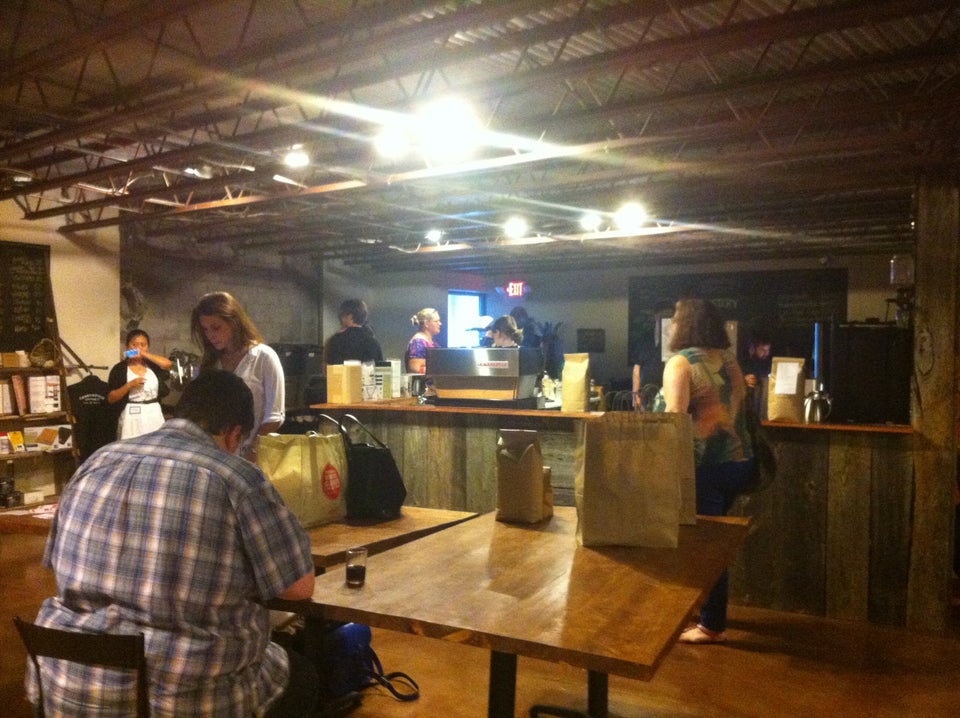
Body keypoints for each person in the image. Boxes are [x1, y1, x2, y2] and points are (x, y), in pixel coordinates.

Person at [27, 370, 317, 717]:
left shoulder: (97, 461)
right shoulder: (237, 479)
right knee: (305, 678)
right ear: (234, 433)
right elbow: (298, 588)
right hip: (180, 700)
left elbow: (58, 565)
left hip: (66, 689)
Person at [657, 297, 754, 644]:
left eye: (674, 318)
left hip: (705, 468)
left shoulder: (680, 363)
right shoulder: (728, 360)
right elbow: (740, 404)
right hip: (740, 463)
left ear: (685, 325)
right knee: (713, 540)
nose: (670, 324)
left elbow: (675, 418)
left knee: (707, 547)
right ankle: (704, 611)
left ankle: (712, 625)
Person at [190, 291, 285, 461]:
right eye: (205, 329)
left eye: (216, 327)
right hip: (213, 455)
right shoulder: (208, 364)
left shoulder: (263, 357)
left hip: (252, 454)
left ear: (234, 322)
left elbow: (274, 416)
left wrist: (253, 451)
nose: (210, 335)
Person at [106, 329, 173, 439]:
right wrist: (129, 385)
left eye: (143, 345)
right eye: (134, 344)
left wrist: (143, 353)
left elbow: (168, 364)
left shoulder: (153, 365)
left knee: (155, 443)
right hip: (131, 415)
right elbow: (111, 398)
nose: (138, 347)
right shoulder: (120, 368)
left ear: (148, 347)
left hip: (153, 413)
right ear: (127, 346)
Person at [324, 298, 384, 365]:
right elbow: (382, 369)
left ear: (350, 316)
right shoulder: (374, 343)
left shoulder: (335, 341)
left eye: (343, 315)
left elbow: (328, 367)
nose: (341, 320)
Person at [405, 307, 442, 374]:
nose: (440, 324)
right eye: (436, 321)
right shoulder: (418, 342)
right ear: (426, 324)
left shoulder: (431, 343)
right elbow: (416, 369)